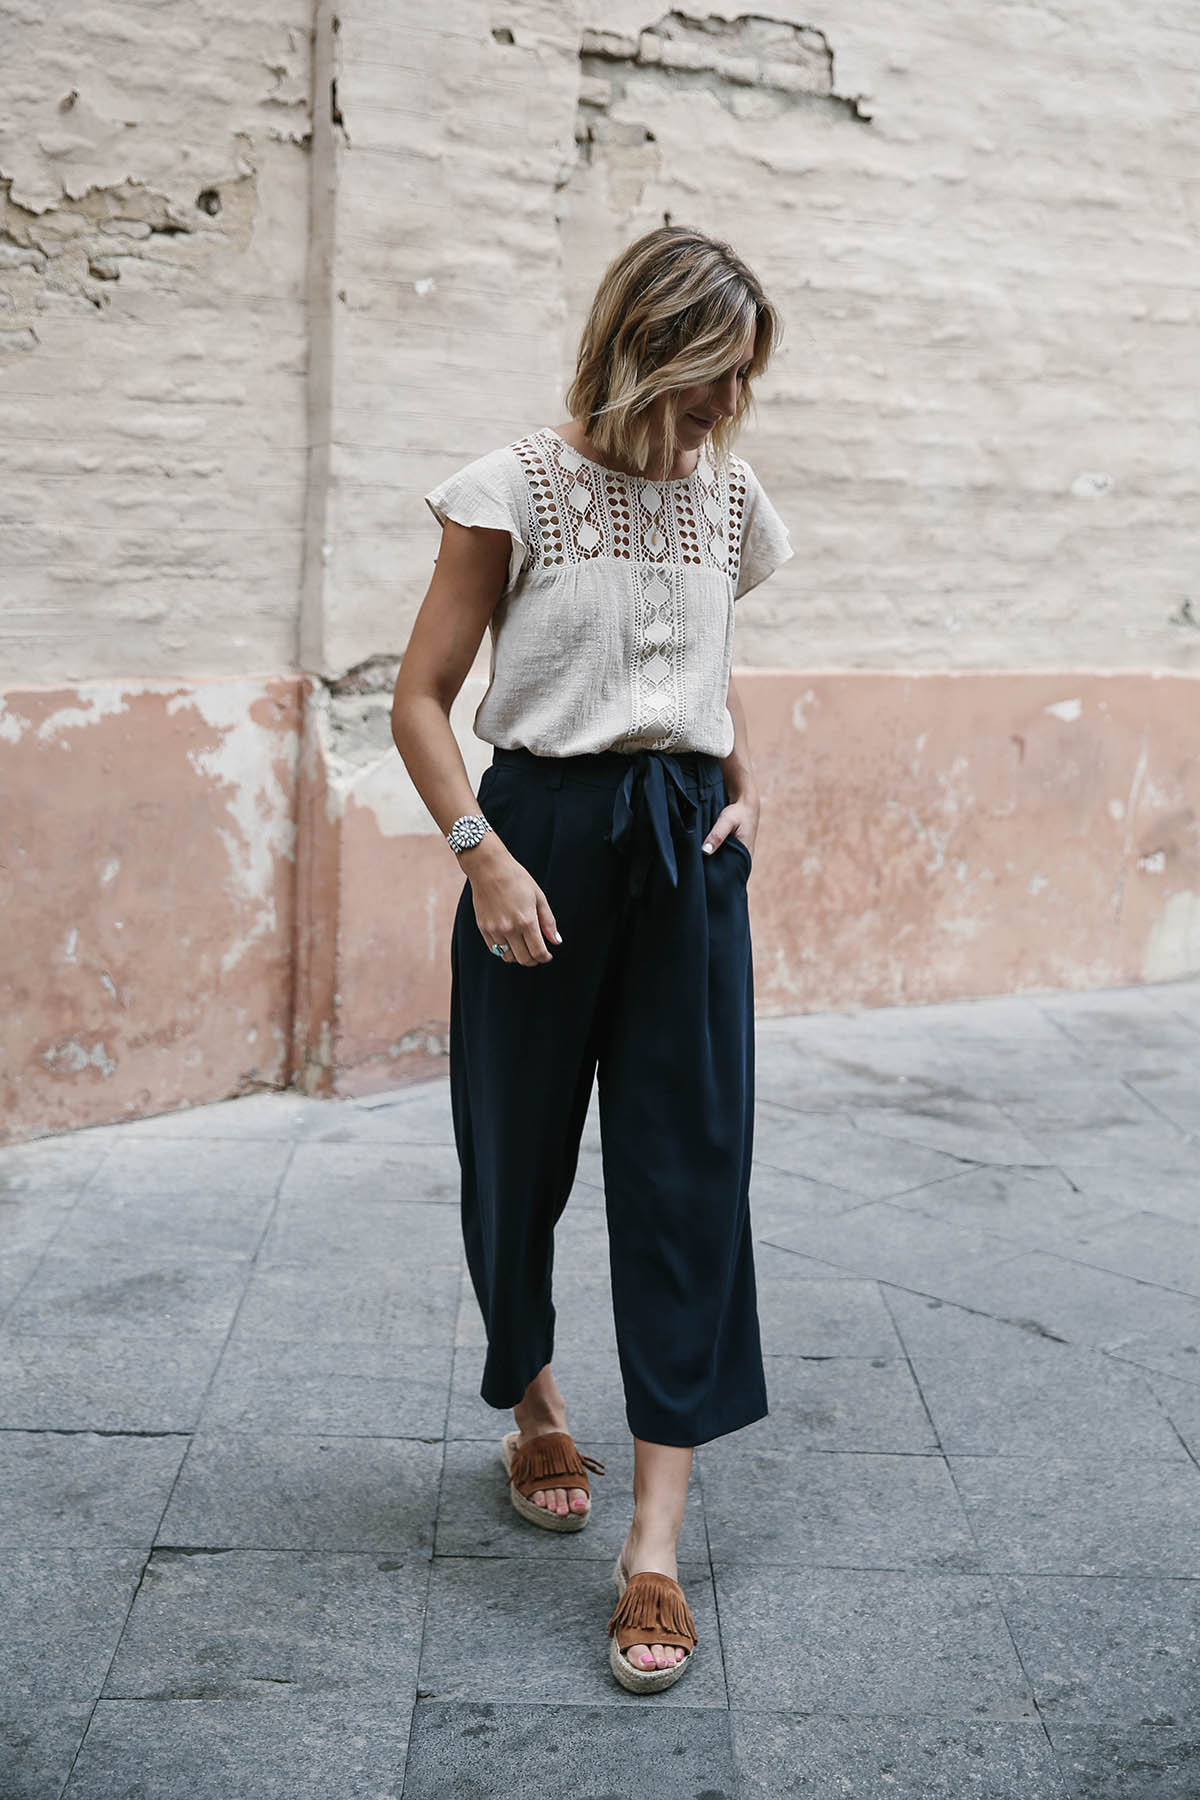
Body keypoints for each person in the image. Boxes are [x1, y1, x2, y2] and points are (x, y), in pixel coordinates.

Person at [390, 225, 793, 1693]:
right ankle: (534, 1398)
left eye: (736, 393)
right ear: (643, 352)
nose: (718, 423)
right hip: (537, 833)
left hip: (687, 848)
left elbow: (704, 662)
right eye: (702, 389)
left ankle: (655, 1553)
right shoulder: (513, 490)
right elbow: (423, 701)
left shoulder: (728, 495)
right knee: (516, 1157)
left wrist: (747, 779)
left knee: (691, 1172)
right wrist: (480, 855)